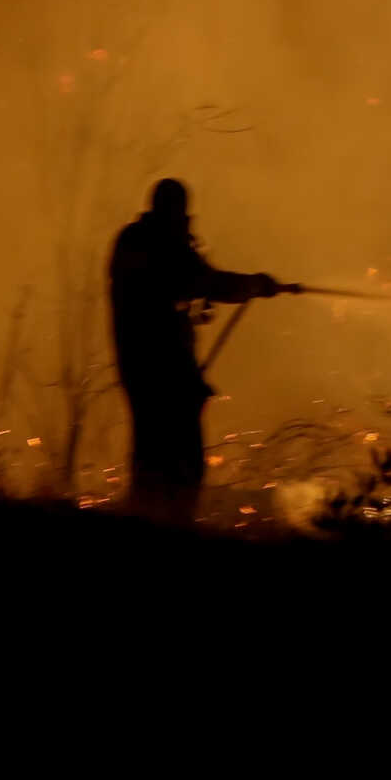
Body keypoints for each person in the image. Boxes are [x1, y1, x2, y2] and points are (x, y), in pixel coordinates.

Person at [109, 178, 284, 524]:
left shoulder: (135, 241)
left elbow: (188, 286)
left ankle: (147, 521)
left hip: (141, 367)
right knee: (180, 463)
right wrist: (256, 285)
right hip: (164, 371)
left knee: (152, 457)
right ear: (178, 210)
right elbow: (205, 282)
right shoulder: (159, 245)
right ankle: (168, 526)